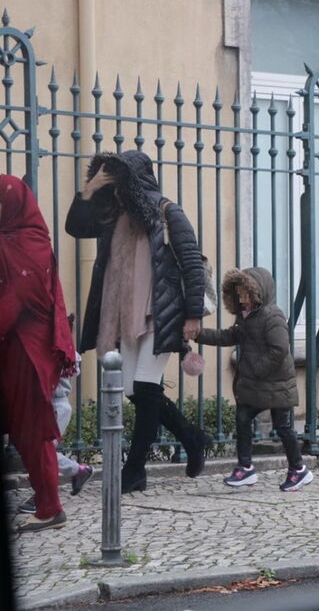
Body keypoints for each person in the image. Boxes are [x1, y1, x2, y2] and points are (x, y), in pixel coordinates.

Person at [65, 151, 211, 494]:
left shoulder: (166, 211)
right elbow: (78, 228)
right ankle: (193, 436)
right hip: (124, 316)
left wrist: (191, 316)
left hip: (161, 314)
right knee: (135, 391)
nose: (115, 193)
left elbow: (191, 262)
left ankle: (135, 470)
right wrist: (89, 191)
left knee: (145, 387)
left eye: (119, 185)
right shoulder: (115, 217)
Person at [0, 175, 76, 532]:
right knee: (26, 431)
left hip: (27, 353)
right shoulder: (11, 239)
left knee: (33, 432)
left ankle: (50, 507)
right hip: (14, 349)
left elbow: (17, 300)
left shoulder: (29, 242)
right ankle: (49, 504)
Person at [196, 267, 312, 491]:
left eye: (245, 294)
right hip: (257, 385)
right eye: (238, 295)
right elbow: (229, 336)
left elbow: (279, 350)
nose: (242, 299)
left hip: (277, 384)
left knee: (283, 427)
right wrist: (199, 335)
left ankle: (299, 470)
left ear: (257, 293)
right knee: (243, 419)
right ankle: (245, 468)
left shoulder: (273, 316)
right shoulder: (245, 317)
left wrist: (256, 369)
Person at [18, 315, 94, 515]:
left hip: (56, 407)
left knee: (44, 453)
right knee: (40, 452)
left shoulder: (61, 351)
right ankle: (76, 473)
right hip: (51, 407)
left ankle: (50, 491)